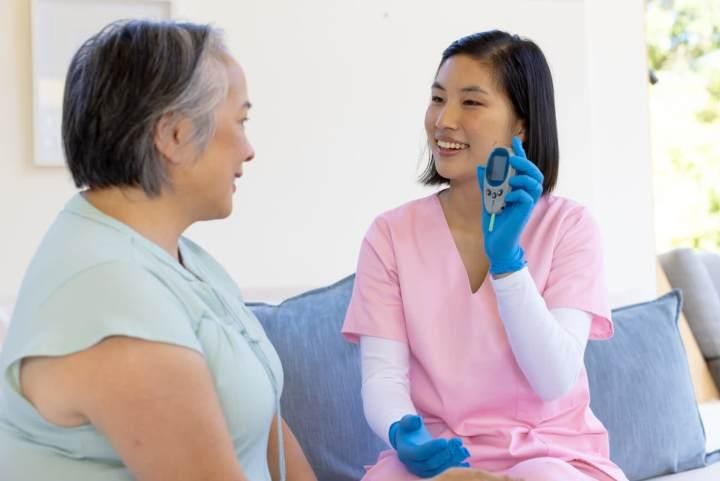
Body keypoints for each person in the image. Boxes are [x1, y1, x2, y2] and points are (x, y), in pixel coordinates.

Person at [0, 19, 316, 481]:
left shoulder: (175, 256)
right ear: (173, 136)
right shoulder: (108, 294)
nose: (248, 149)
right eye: (241, 121)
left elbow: (266, 431)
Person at [342, 30, 628, 481]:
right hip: (441, 456)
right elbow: (383, 378)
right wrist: (403, 433)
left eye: (470, 103)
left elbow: (553, 378)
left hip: (550, 455)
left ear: (521, 124)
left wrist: (508, 263)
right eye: (438, 99)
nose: (443, 120)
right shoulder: (390, 235)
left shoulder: (570, 227)